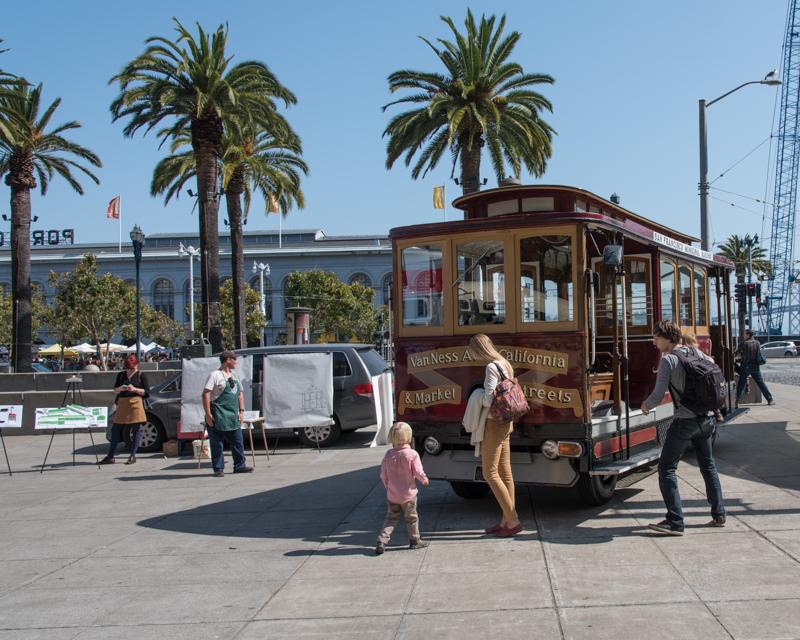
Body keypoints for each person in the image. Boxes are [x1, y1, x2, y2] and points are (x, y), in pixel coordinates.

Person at [641, 320, 726, 535]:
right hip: (706, 419)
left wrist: (645, 406)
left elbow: (658, 395)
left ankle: (675, 521)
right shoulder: (698, 354)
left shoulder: (668, 360)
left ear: (667, 338)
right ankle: (719, 514)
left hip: (685, 421)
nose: (654, 341)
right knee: (708, 465)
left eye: (656, 337)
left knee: (666, 468)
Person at [467, 333, 523, 537]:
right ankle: (506, 520)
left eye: (472, 350)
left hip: (494, 423)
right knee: (505, 472)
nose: (470, 354)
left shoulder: (490, 367)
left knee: (489, 473)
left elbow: (489, 399)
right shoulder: (504, 363)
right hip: (507, 421)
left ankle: (513, 519)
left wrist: (475, 396)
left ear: (478, 349)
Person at [376, 422, 429, 555]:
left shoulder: (388, 455)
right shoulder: (412, 454)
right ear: (409, 437)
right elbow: (418, 471)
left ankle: (382, 540)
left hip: (393, 495)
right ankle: (414, 540)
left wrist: (387, 485)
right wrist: (424, 480)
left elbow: (383, 474)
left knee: (391, 518)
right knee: (411, 518)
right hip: (409, 495)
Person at [202, 350, 253, 477]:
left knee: (237, 441)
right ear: (228, 360)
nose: (236, 361)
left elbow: (240, 393)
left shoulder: (234, 375)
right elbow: (206, 394)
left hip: (232, 414)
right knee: (217, 443)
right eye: (234, 359)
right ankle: (218, 468)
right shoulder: (215, 375)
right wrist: (208, 414)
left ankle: (239, 466)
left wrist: (241, 411)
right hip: (218, 414)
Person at [100, 354, 150, 465]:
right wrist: (120, 388)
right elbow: (114, 390)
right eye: (128, 368)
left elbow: (147, 392)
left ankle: (132, 456)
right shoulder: (121, 375)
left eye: (132, 367)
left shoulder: (141, 375)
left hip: (135, 403)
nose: (130, 370)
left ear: (137, 365)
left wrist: (135, 389)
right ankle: (110, 456)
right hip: (122, 403)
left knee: (136, 430)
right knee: (116, 429)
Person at [735, 330, 774, 406]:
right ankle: (770, 399)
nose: (744, 336)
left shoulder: (744, 343)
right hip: (755, 366)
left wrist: (737, 359)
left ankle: (736, 401)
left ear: (748, 335)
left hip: (745, 366)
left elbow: (737, 353)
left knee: (741, 384)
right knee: (761, 383)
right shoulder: (757, 343)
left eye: (745, 334)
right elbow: (758, 354)